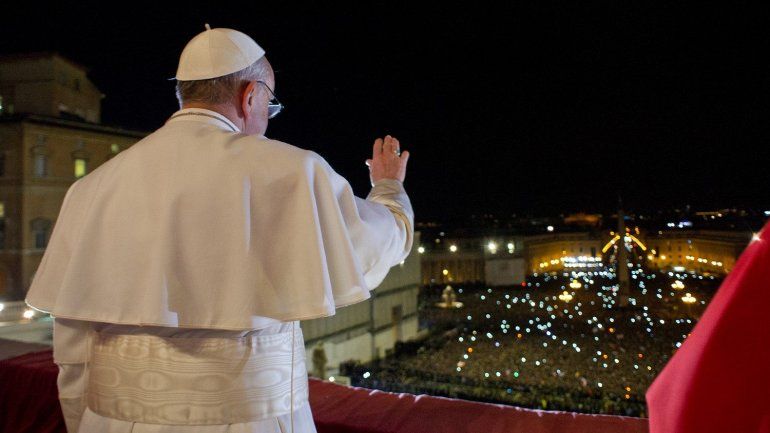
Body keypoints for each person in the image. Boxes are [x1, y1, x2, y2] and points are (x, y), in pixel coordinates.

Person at [25, 24, 413, 433]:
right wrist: (388, 186)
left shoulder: (91, 188)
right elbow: (377, 243)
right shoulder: (294, 171)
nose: (267, 117)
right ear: (250, 96)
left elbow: (72, 352)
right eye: (269, 104)